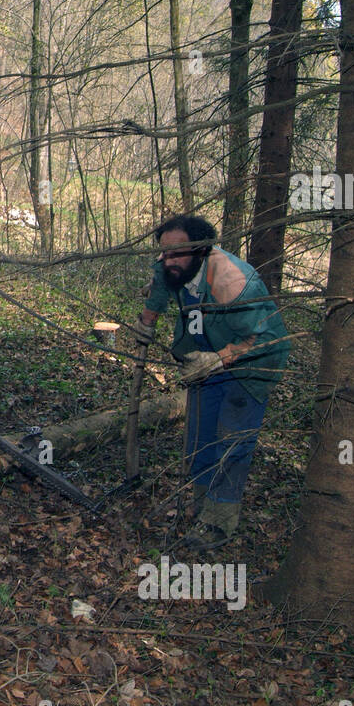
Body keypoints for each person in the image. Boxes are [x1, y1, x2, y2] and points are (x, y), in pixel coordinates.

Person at [131, 214, 290, 550]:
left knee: (233, 439)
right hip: (206, 355)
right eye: (164, 253)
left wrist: (220, 358)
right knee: (200, 434)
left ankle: (219, 522)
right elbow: (160, 285)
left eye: (177, 254)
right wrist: (147, 321)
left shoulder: (233, 281)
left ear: (201, 251)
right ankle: (202, 504)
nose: (167, 260)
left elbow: (264, 339)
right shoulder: (170, 264)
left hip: (251, 364)